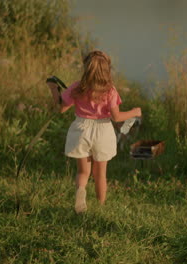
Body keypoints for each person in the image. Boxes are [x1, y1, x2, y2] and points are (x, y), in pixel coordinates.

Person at [47, 50, 141, 213]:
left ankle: (81, 191)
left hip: (81, 129)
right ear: (107, 71)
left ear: (86, 69)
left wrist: (54, 89)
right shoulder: (109, 90)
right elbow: (117, 117)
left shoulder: (78, 87)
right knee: (100, 174)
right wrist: (134, 112)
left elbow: (61, 108)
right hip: (102, 131)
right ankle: (100, 206)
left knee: (83, 172)